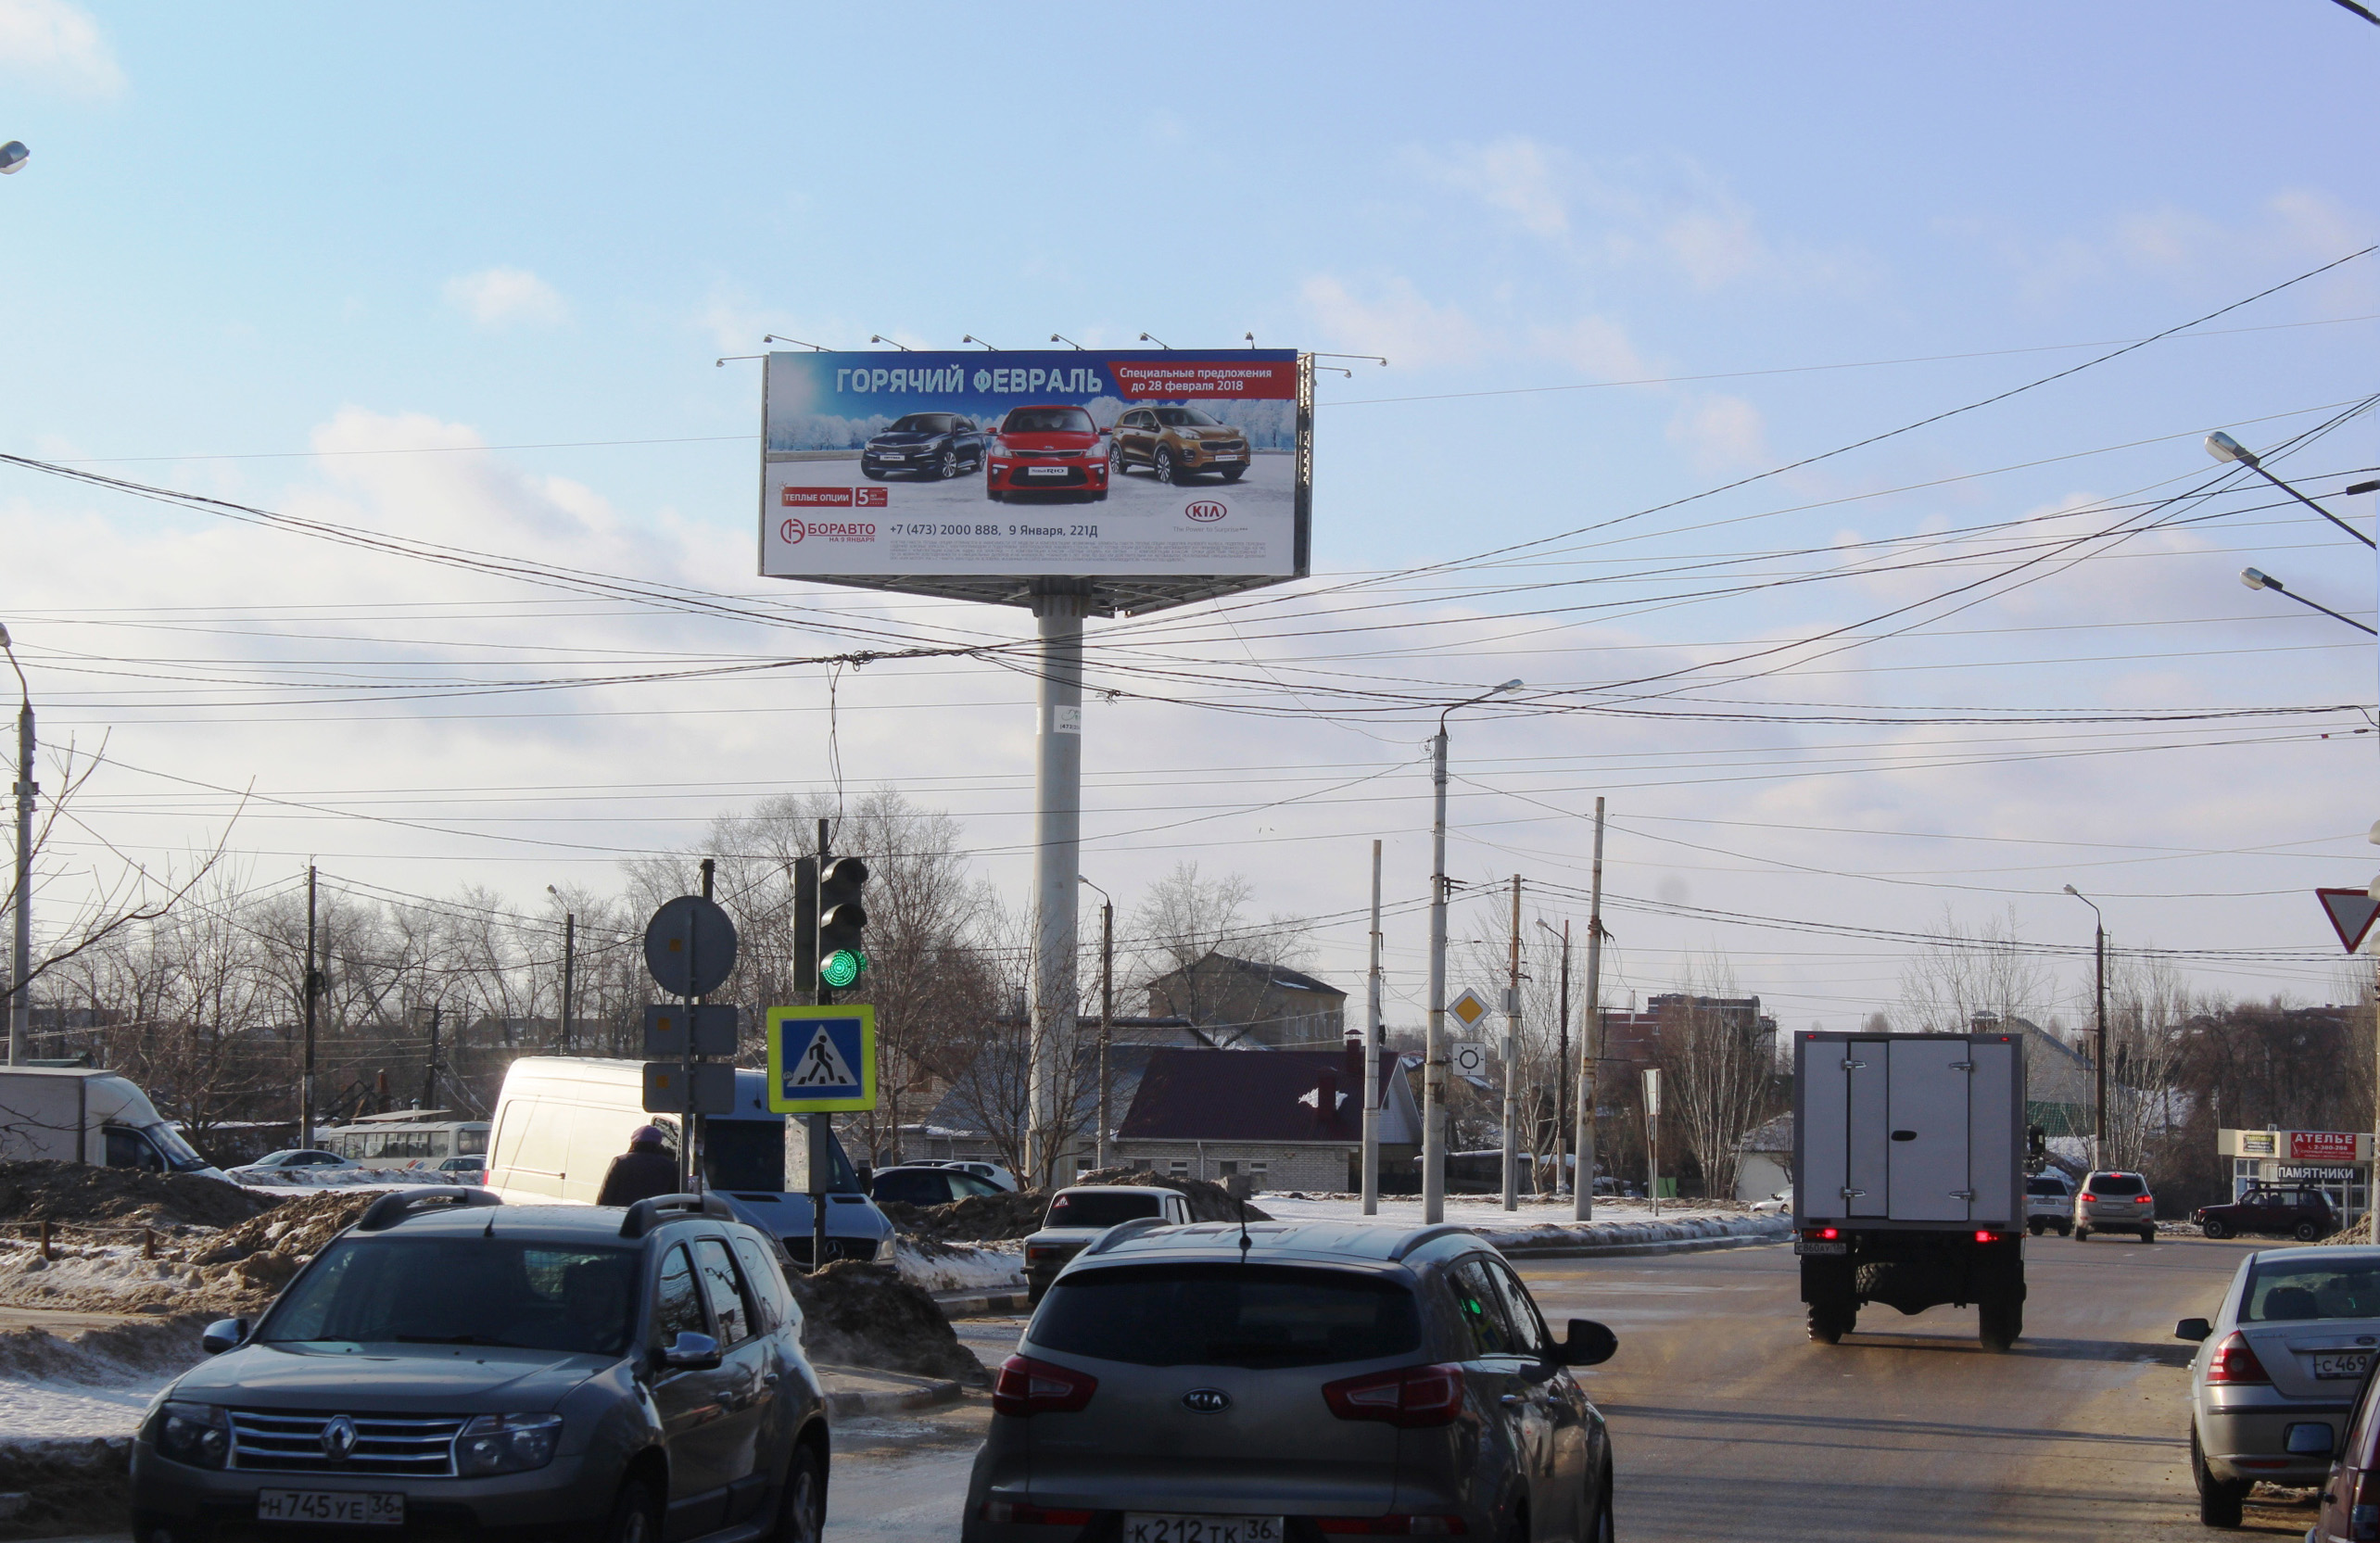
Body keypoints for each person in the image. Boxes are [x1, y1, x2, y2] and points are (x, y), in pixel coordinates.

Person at [595, 1125, 680, 1207]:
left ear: (634, 1142)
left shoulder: (620, 1162)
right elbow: (674, 1199)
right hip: (654, 1216)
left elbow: (605, 1195)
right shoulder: (669, 1165)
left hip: (623, 1215)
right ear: (658, 1143)